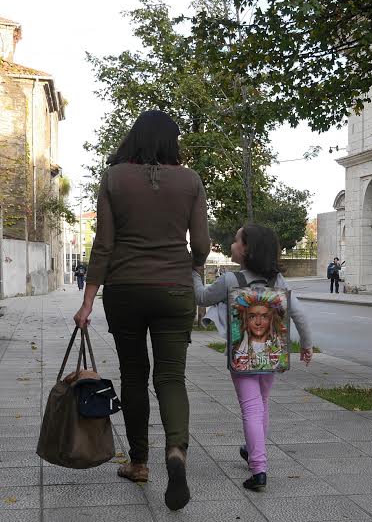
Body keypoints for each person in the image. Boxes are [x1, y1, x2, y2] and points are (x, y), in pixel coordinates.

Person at [73, 110, 210, 511]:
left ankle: (138, 462)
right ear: (172, 142)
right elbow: (200, 243)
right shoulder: (190, 181)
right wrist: (192, 266)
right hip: (174, 291)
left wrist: (86, 302)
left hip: (126, 290)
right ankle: (176, 453)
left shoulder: (114, 178)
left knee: (134, 374)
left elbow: (103, 246)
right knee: (171, 376)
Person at [193, 224, 313, 491]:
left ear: (247, 249)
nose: (232, 244)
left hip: (243, 356)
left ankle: (259, 468)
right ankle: (251, 448)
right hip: (270, 355)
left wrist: (194, 272)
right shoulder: (277, 282)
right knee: (261, 403)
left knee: (251, 408)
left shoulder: (230, 281)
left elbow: (200, 297)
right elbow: (299, 314)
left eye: (236, 240)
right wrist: (306, 345)